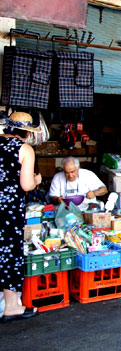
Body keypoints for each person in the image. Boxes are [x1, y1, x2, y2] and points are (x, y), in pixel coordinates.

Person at [0, 112, 42, 322]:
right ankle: (11, 306)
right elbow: (26, 185)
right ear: (26, 133)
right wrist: (36, 179)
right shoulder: (23, 149)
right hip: (7, 210)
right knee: (9, 252)